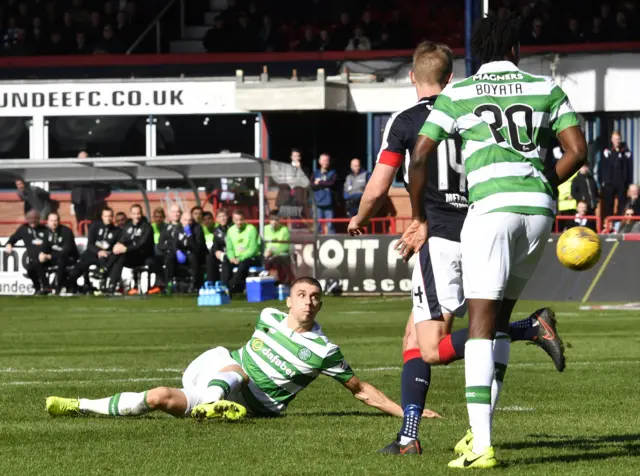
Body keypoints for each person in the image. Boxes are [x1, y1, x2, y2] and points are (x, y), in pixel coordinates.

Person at [348, 41, 567, 458]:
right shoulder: (470, 104)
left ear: (412, 77)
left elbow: (379, 186)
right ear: (451, 77)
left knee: (427, 345)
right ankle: (409, 436)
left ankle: (527, 329)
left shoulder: (408, 120)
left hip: (444, 238)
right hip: (486, 226)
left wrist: (362, 218)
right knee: (419, 330)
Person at [397, 15, 587, 468]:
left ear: (476, 53)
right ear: (517, 50)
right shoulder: (546, 87)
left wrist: (419, 213)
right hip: (540, 215)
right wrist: (543, 184)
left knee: (480, 326)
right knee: (500, 321)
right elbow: (578, 151)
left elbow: (421, 154)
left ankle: (481, 445)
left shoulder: (459, 93)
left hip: (490, 213)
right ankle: (476, 434)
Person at [46, 277, 441, 421]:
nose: (308, 301)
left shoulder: (324, 349)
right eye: (301, 295)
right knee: (228, 361)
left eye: (315, 297)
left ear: (320, 305)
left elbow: (361, 391)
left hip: (255, 402)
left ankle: (78, 403)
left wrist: (409, 410)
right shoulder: (268, 315)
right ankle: (212, 406)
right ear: (288, 301)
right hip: (222, 378)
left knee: (159, 396)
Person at [66, 207, 120, 294]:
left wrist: (107, 252)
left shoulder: (117, 231)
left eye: (110, 216)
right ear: (102, 217)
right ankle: (72, 287)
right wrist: (99, 251)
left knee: (109, 266)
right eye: (106, 216)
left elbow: (116, 247)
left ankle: (105, 288)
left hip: (106, 256)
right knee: (78, 268)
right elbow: (90, 244)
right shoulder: (95, 226)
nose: (108, 218)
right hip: (92, 253)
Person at [105, 204, 154, 294]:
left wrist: (126, 249)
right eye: (134, 214)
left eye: (138, 214)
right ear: (131, 215)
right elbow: (123, 239)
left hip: (143, 256)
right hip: (130, 256)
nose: (137, 216)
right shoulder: (128, 226)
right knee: (120, 255)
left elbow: (141, 244)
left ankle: (106, 274)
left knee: (121, 255)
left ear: (141, 214)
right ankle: (112, 285)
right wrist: (118, 245)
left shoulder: (146, 227)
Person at [4, 210, 51, 294]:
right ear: (27, 219)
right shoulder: (23, 229)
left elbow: (50, 243)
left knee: (38, 263)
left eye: (35, 218)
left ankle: (46, 287)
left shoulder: (45, 229)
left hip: (46, 258)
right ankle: (37, 288)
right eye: (30, 219)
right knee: (30, 269)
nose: (33, 221)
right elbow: (13, 238)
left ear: (38, 219)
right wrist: (9, 244)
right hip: (33, 260)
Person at [158, 211, 201, 293]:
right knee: (169, 257)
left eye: (190, 220)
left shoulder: (197, 229)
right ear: (181, 220)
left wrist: (189, 235)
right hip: (182, 252)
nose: (187, 222)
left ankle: (194, 284)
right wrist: (177, 251)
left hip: (193, 252)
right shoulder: (178, 228)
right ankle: (168, 283)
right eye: (185, 220)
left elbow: (196, 247)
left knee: (192, 256)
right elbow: (174, 243)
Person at [71, 151, 111, 228]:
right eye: (80, 159)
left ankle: (91, 236)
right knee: (79, 221)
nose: (82, 161)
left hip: (90, 199)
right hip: (77, 199)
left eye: (84, 158)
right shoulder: (73, 169)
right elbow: (71, 182)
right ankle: (80, 236)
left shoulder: (93, 169)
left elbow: (99, 182)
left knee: (91, 220)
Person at [600, 131, 632, 222]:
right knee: (608, 204)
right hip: (609, 182)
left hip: (622, 182)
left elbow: (629, 168)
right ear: (611, 140)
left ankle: (619, 223)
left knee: (622, 204)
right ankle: (608, 223)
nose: (616, 141)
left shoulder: (626, 152)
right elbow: (603, 167)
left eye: (618, 139)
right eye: (614, 139)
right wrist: (603, 181)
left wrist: (629, 183)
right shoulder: (607, 151)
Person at [225, 210, 261, 292]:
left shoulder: (251, 229)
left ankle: (231, 287)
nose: (239, 222)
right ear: (233, 220)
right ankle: (224, 285)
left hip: (252, 257)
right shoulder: (230, 231)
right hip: (236, 257)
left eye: (241, 219)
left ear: (244, 219)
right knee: (225, 262)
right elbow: (229, 248)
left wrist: (240, 258)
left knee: (244, 263)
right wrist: (231, 257)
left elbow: (253, 249)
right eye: (236, 220)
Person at [44, 212, 79, 294]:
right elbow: (44, 247)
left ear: (59, 221)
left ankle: (58, 287)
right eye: (52, 221)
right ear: (47, 222)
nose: (54, 223)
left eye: (56, 220)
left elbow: (66, 251)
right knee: (36, 262)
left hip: (69, 258)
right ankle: (44, 287)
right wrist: (42, 254)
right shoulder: (46, 232)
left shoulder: (66, 231)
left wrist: (50, 256)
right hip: (54, 258)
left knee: (61, 260)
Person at [264, 210, 293, 285]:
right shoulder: (264, 229)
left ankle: (279, 282)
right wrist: (265, 251)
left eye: (276, 220)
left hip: (281, 255)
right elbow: (261, 244)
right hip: (267, 255)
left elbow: (285, 247)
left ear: (279, 220)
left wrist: (272, 252)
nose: (274, 222)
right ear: (269, 220)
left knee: (277, 259)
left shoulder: (284, 230)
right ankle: (267, 281)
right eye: (272, 219)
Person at [206, 209, 231, 286]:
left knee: (225, 259)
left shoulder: (233, 227)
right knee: (209, 257)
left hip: (232, 253)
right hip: (222, 253)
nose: (222, 218)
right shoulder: (217, 230)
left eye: (224, 216)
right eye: (220, 216)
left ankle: (224, 285)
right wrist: (216, 251)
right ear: (216, 219)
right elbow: (215, 245)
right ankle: (211, 283)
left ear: (228, 217)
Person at [312, 154, 337, 234]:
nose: (325, 162)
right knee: (317, 225)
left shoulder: (333, 173)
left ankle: (331, 241)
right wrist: (322, 183)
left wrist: (319, 182)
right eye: (323, 160)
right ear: (319, 161)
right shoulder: (315, 173)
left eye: (327, 160)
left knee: (330, 225)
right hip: (317, 203)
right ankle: (316, 243)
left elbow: (332, 183)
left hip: (329, 203)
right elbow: (310, 185)